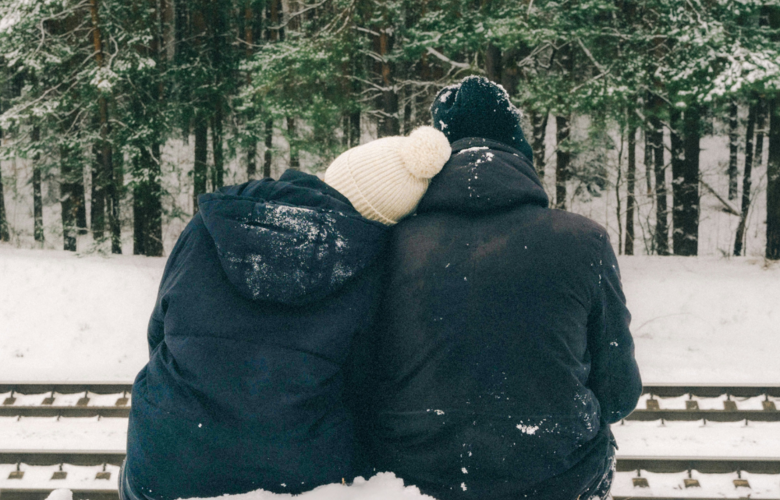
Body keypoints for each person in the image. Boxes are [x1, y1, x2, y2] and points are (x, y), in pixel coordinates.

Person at [121, 126, 451, 500]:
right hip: (296, 475)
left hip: (166, 463)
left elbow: (158, 331)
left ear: (334, 173)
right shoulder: (369, 267)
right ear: (386, 222)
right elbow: (362, 387)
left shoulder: (210, 223)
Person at [363, 76, 642, 500]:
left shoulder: (390, 243)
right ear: (520, 148)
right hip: (556, 477)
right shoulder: (584, 239)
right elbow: (619, 393)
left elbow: (359, 379)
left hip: (411, 478)